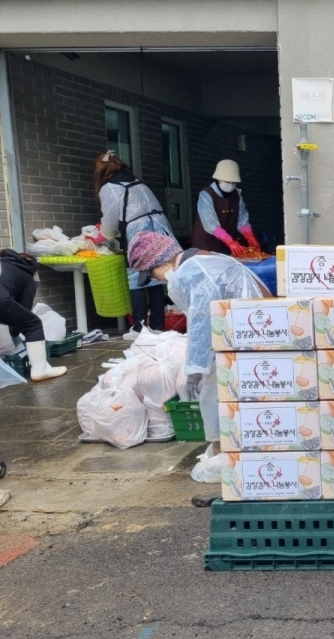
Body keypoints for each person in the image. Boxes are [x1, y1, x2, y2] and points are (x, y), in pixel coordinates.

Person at [125, 231, 269, 447]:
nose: (155, 279)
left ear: (161, 260)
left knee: (215, 397)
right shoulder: (202, 259)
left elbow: (202, 322)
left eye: (152, 273)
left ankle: (227, 453)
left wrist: (194, 369)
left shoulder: (191, 272)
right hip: (251, 329)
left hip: (249, 334)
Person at [92, 151, 177, 340]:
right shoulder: (138, 181)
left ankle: (139, 329)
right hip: (159, 227)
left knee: (135, 276)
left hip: (138, 231)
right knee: (156, 275)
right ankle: (157, 326)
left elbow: (111, 220)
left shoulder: (110, 187)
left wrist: (102, 235)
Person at [0, 249, 67, 381]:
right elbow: (23, 315)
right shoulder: (27, 277)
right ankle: (40, 370)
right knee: (33, 324)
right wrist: (15, 333)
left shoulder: (4, 265)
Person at [192, 160, 261, 257]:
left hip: (226, 248)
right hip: (206, 246)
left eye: (234, 182)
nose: (231, 185)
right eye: (228, 182)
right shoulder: (207, 194)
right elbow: (210, 224)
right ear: (218, 179)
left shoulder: (237, 195)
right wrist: (230, 241)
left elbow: (242, 220)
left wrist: (249, 236)